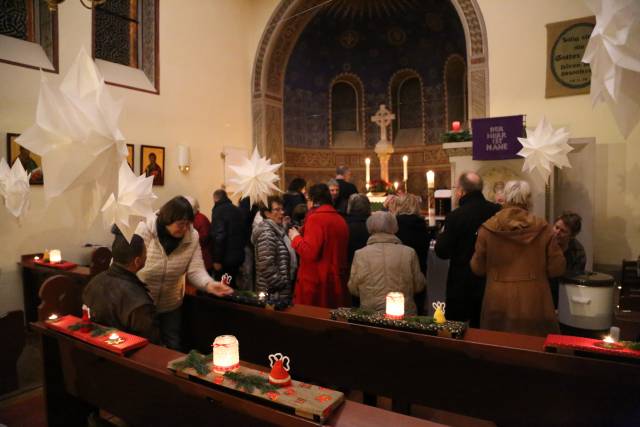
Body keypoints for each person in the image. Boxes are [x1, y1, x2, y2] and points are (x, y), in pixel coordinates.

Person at [136, 196, 233, 350]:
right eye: (180, 224)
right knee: (146, 346)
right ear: (167, 219)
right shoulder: (146, 229)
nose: (185, 229)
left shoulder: (192, 236)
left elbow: (196, 269)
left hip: (171, 303)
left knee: (173, 344)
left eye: (188, 224)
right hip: (142, 303)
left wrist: (209, 284)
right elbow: (129, 265)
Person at [470, 180, 565, 337]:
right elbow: (557, 268)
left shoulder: (487, 229)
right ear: (528, 200)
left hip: (497, 302)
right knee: (533, 350)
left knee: (498, 349)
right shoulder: (544, 228)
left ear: (505, 198)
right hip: (535, 303)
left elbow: (477, 268)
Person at [435, 171, 501, 327]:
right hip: (491, 280)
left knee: (457, 330)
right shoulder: (497, 211)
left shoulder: (456, 216)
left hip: (461, 284)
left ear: (461, 191)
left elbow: (442, 251)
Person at [83, 226, 159, 342]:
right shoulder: (138, 300)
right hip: (123, 355)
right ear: (137, 261)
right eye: (145, 253)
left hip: (92, 347)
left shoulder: (94, 281)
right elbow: (150, 340)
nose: (146, 257)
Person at [348, 211, 426, 315]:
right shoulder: (409, 252)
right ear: (394, 227)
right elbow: (418, 286)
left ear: (370, 228)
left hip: (371, 315)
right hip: (403, 314)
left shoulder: (360, 254)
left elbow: (353, 288)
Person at [288, 183, 350, 308]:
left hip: (317, 283)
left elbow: (309, 252)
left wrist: (295, 237)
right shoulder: (340, 219)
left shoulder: (315, 219)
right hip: (336, 281)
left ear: (312, 201)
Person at [252, 195, 297, 305]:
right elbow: (266, 265)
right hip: (273, 294)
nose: (282, 212)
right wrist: (281, 284)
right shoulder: (267, 233)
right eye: (277, 209)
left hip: (277, 293)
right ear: (267, 213)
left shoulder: (276, 230)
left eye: (282, 209)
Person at [549, 211, 587, 307]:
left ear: (572, 236)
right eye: (556, 227)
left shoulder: (578, 253)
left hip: (564, 295)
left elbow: (572, 283)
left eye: (563, 231)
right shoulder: (545, 243)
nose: (557, 233)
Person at [209, 189, 247, 285]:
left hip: (225, 258)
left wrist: (217, 259)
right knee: (232, 283)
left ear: (215, 198)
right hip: (237, 256)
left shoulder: (218, 211)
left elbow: (219, 236)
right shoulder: (237, 209)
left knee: (223, 286)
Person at [394, 194, 429, 275]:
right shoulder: (421, 224)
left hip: (399, 271)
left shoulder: (395, 223)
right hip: (419, 269)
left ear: (399, 205)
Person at [184, 196, 213, 272]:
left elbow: (204, 238)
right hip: (199, 259)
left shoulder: (200, 219)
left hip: (203, 259)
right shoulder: (194, 218)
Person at [346, 194, 371, 265]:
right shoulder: (372, 224)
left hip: (350, 262)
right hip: (369, 262)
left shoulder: (346, 224)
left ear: (350, 206)